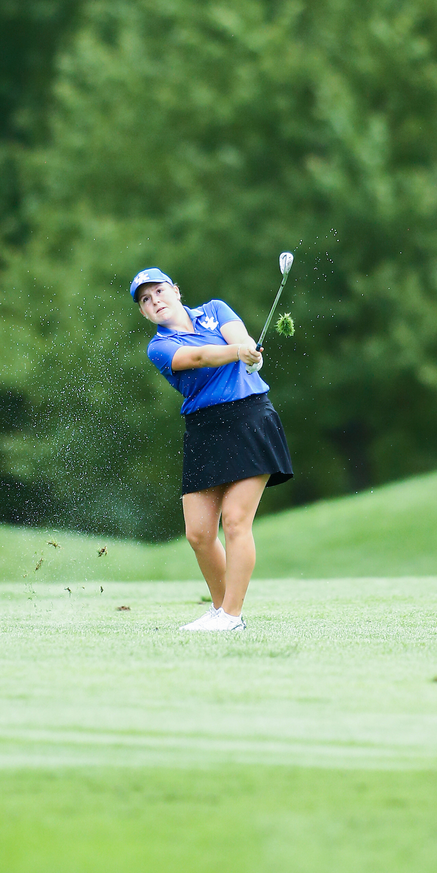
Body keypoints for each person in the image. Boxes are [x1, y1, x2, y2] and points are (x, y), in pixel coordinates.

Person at [130, 268, 293, 632]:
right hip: (204, 429)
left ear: (175, 290)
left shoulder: (215, 310)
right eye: (145, 299)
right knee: (199, 534)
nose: (154, 300)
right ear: (143, 312)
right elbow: (201, 357)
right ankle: (220, 611)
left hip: (250, 418)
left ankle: (232, 617)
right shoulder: (159, 347)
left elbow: (238, 336)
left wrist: (249, 350)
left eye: (158, 291)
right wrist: (238, 352)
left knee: (235, 520)